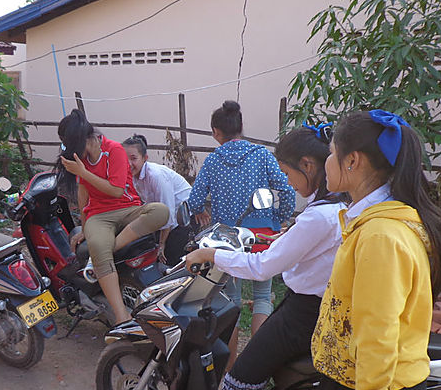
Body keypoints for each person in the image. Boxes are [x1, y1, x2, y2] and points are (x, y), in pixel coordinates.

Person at [293, 110, 441, 390]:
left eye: (330, 154)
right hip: (359, 382)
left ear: (353, 162)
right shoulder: (375, 221)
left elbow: (377, 337)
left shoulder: (381, 235)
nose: (324, 163)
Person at [179, 125, 344, 390]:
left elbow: (262, 268)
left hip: (303, 315)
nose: (286, 180)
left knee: (236, 387)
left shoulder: (319, 215)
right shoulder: (346, 208)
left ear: (310, 165)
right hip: (328, 311)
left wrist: (210, 253)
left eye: (287, 172)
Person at [187, 100, 295, 364]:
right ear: (241, 127)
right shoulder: (261, 154)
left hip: (228, 242)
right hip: (261, 237)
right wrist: (279, 221)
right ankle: (260, 364)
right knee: (262, 298)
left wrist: (202, 212)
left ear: (216, 132)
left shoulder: (213, 160)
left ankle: (230, 367)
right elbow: (287, 191)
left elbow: (194, 199)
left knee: (232, 304)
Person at [58, 110, 168, 331]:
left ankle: (102, 255)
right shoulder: (81, 159)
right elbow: (82, 193)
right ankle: (121, 317)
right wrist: (84, 223)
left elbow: (117, 191)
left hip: (127, 208)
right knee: (97, 244)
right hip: (99, 216)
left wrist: (83, 171)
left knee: (160, 211)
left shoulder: (114, 150)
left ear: (81, 139)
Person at [122, 133, 193, 266]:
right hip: (164, 220)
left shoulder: (156, 176)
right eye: (125, 159)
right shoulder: (134, 177)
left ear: (145, 158)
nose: (129, 164)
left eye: (133, 158)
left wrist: (162, 244)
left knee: (172, 261)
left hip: (183, 218)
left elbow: (168, 213)